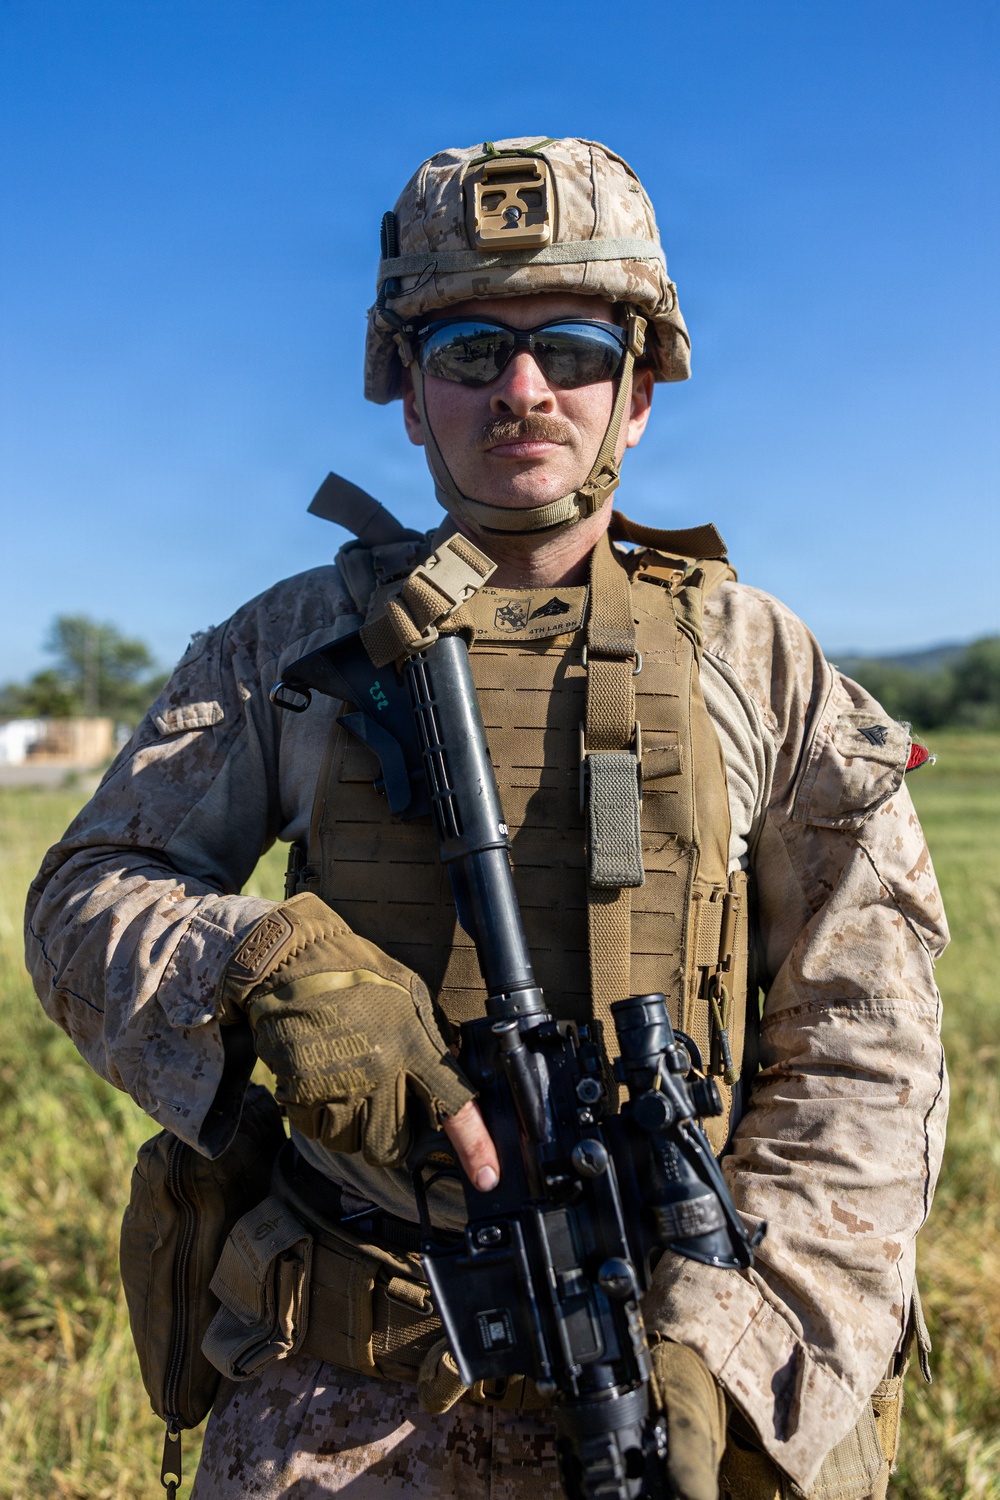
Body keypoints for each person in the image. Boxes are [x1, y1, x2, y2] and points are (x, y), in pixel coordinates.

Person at [25, 136, 948, 1500]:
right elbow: (86, 893)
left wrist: (744, 1354)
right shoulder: (288, 647)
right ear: (409, 393)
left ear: (637, 393)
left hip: (681, 1375)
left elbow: (866, 1042)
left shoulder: (763, 663)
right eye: (470, 349)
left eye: (572, 348)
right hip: (343, 1403)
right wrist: (262, 967)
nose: (523, 390)